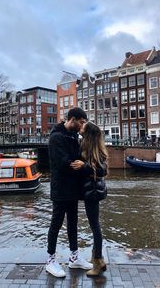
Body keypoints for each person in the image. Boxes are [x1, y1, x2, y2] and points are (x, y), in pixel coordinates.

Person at [46, 107, 92, 278]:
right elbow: (65, 163)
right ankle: (50, 260)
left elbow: (80, 159)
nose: (82, 126)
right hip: (60, 188)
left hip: (73, 187)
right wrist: (79, 165)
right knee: (56, 223)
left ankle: (74, 258)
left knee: (73, 223)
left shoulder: (73, 136)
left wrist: (81, 162)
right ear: (72, 119)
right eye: (81, 122)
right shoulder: (56, 137)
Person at [71, 121, 108, 276]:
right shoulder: (86, 147)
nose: (81, 129)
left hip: (92, 193)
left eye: (84, 128)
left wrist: (83, 166)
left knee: (95, 227)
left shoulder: (95, 151)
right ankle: (98, 259)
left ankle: (98, 261)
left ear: (89, 134)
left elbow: (102, 171)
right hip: (89, 191)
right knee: (95, 225)